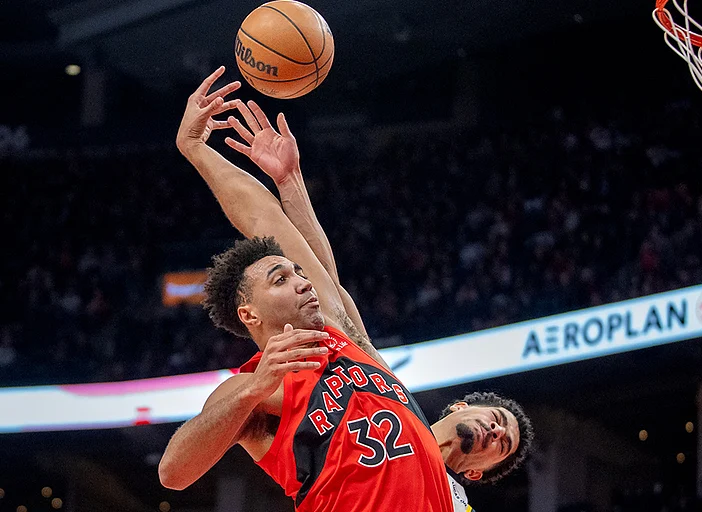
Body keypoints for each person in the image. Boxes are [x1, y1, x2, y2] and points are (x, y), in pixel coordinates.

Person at [158, 66, 533, 511]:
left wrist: (290, 185)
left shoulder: (356, 351)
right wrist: (196, 148)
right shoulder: (256, 389)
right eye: (282, 278)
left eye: (299, 274)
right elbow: (173, 473)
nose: (302, 280)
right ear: (250, 314)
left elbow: (306, 256)